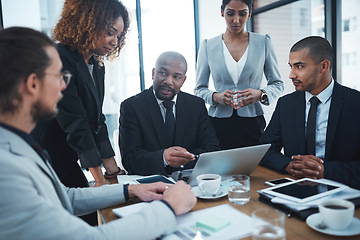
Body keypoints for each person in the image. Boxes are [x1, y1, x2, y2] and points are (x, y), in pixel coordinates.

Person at [0, 26, 196, 240]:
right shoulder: (6, 168)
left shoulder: (21, 144)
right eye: (59, 76)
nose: (64, 86)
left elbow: (67, 198)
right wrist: (169, 208)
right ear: (33, 84)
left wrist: (130, 190)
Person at [32, 0, 129, 190]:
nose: (115, 41)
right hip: (48, 155)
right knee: (88, 211)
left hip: (68, 153)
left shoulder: (96, 64)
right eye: (110, 32)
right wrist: (100, 180)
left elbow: (97, 120)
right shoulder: (59, 58)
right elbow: (76, 121)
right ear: (87, 25)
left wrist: (112, 170)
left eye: (119, 35)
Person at [259, 36, 360, 190]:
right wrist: (290, 165)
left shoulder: (355, 103)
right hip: (295, 190)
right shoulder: (285, 104)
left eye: (299, 66)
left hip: (343, 193)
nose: (291, 75)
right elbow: (264, 150)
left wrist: (323, 170)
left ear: (323, 66)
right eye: (291, 66)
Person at [194, 0, 283, 150]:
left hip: (253, 122)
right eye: (230, 13)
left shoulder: (263, 43)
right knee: (220, 169)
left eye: (242, 13)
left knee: (256, 168)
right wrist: (216, 97)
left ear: (250, 13)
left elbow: (277, 84)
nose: (236, 20)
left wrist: (261, 94)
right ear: (222, 12)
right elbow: (198, 89)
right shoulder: (208, 46)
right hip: (218, 123)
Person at [119, 51, 220, 176]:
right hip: (149, 181)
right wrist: (163, 158)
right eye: (163, 73)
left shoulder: (196, 105)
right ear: (153, 73)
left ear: (183, 80)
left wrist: (183, 159)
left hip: (189, 179)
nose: (168, 81)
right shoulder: (131, 107)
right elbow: (129, 159)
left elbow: (211, 148)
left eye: (176, 77)